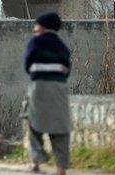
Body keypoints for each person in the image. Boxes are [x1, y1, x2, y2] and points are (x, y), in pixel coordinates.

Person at [23, 12, 71, 175]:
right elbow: (67, 69)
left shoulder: (35, 42)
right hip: (59, 89)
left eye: (36, 25)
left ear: (42, 27)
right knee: (60, 128)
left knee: (34, 124)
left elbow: (27, 64)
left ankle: (36, 161)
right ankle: (61, 167)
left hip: (39, 87)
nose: (34, 28)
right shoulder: (62, 46)